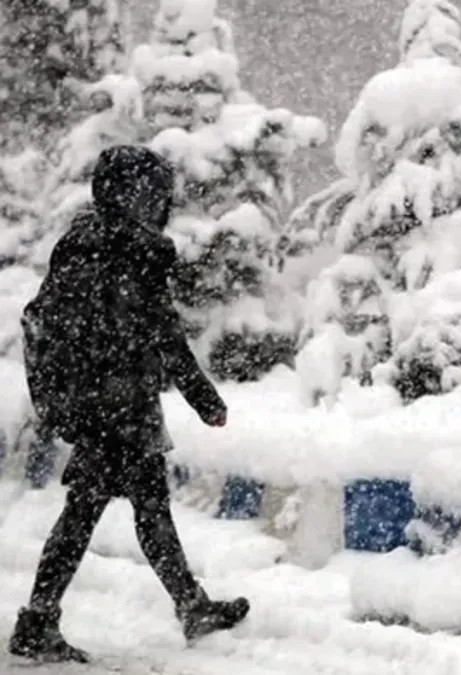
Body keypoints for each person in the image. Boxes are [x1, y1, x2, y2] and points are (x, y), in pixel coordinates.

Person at [9, 145, 250, 664]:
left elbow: (66, 324)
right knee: (107, 513)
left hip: (97, 405)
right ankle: (40, 620)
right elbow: (164, 335)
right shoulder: (130, 251)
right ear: (126, 194)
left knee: (130, 508)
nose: (155, 202)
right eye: (149, 193)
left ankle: (186, 606)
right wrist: (205, 399)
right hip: (118, 408)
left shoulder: (80, 244)